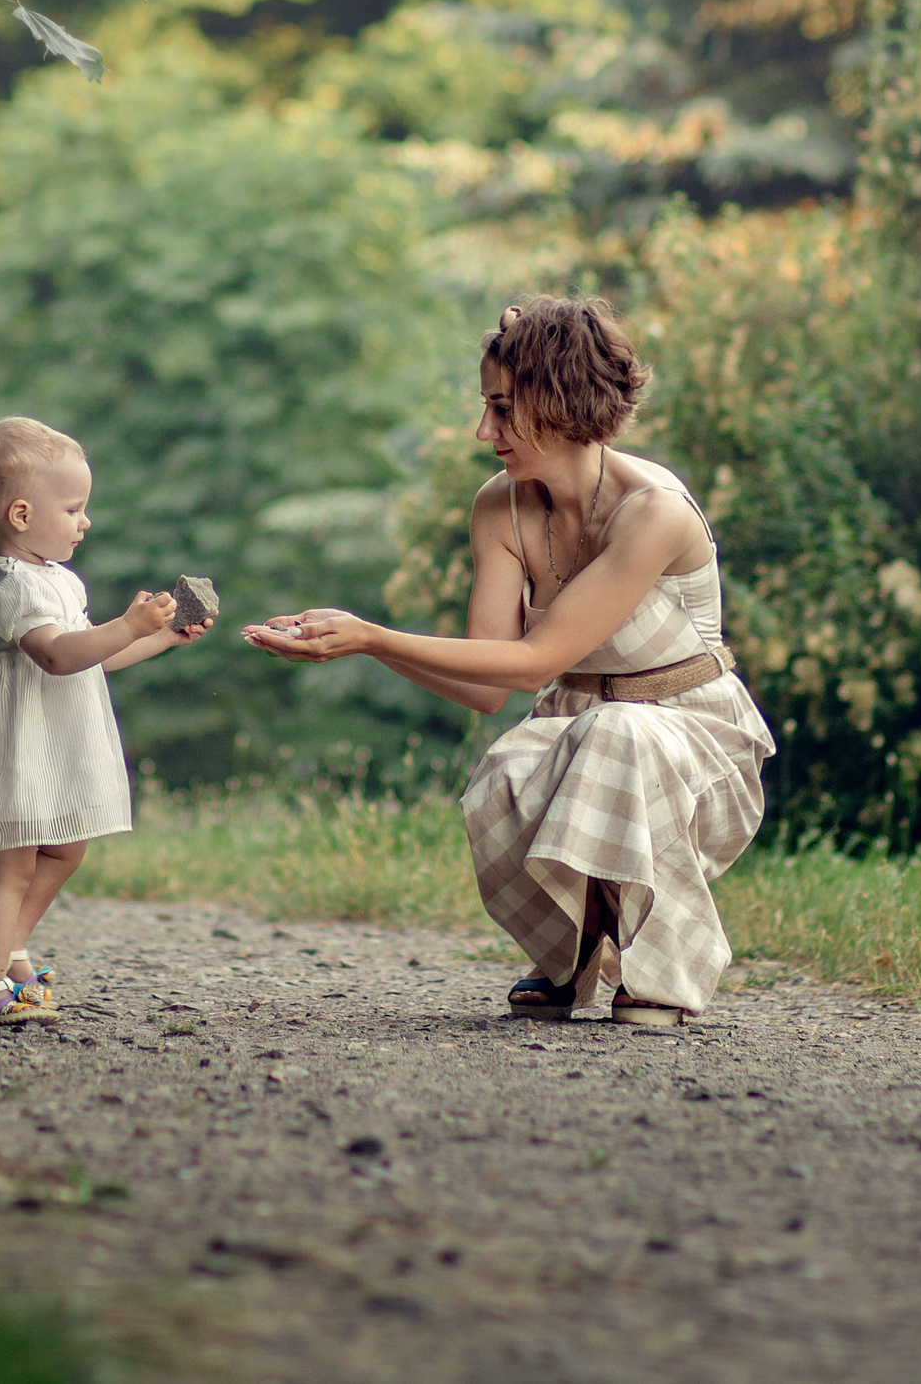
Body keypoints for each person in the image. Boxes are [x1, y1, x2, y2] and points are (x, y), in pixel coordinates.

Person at [245, 298, 773, 1023]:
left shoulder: (654, 510)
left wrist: (371, 635)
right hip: (579, 724)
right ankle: (575, 950)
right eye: (485, 407)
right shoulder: (500, 505)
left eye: (501, 408)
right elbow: (485, 686)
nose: (483, 431)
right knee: (506, 771)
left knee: (616, 734)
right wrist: (352, 647)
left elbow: (533, 661)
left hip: (695, 745)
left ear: (558, 401)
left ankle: (662, 972)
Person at [0, 416, 211, 1026]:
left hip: (49, 743)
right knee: (11, 865)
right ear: (23, 516)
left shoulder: (56, 578)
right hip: (13, 743)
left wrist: (160, 638)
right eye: (75, 509)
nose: (87, 522)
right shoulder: (12, 585)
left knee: (65, 847)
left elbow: (91, 657)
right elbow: (57, 656)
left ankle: (11, 949)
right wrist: (128, 624)